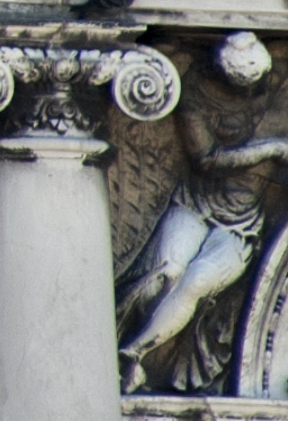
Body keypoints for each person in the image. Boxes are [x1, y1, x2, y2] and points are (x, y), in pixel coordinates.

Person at [119, 32, 288, 392]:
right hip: (196, 205)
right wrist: (270, 149)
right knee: (165, 273)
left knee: (196, 281)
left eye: (255, 84)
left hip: (241, 226)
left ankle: (131, 355)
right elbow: (207, 159)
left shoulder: (273, 80)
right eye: (240, 85)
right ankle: (117, 337)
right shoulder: (193, 94)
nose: (249, 93)